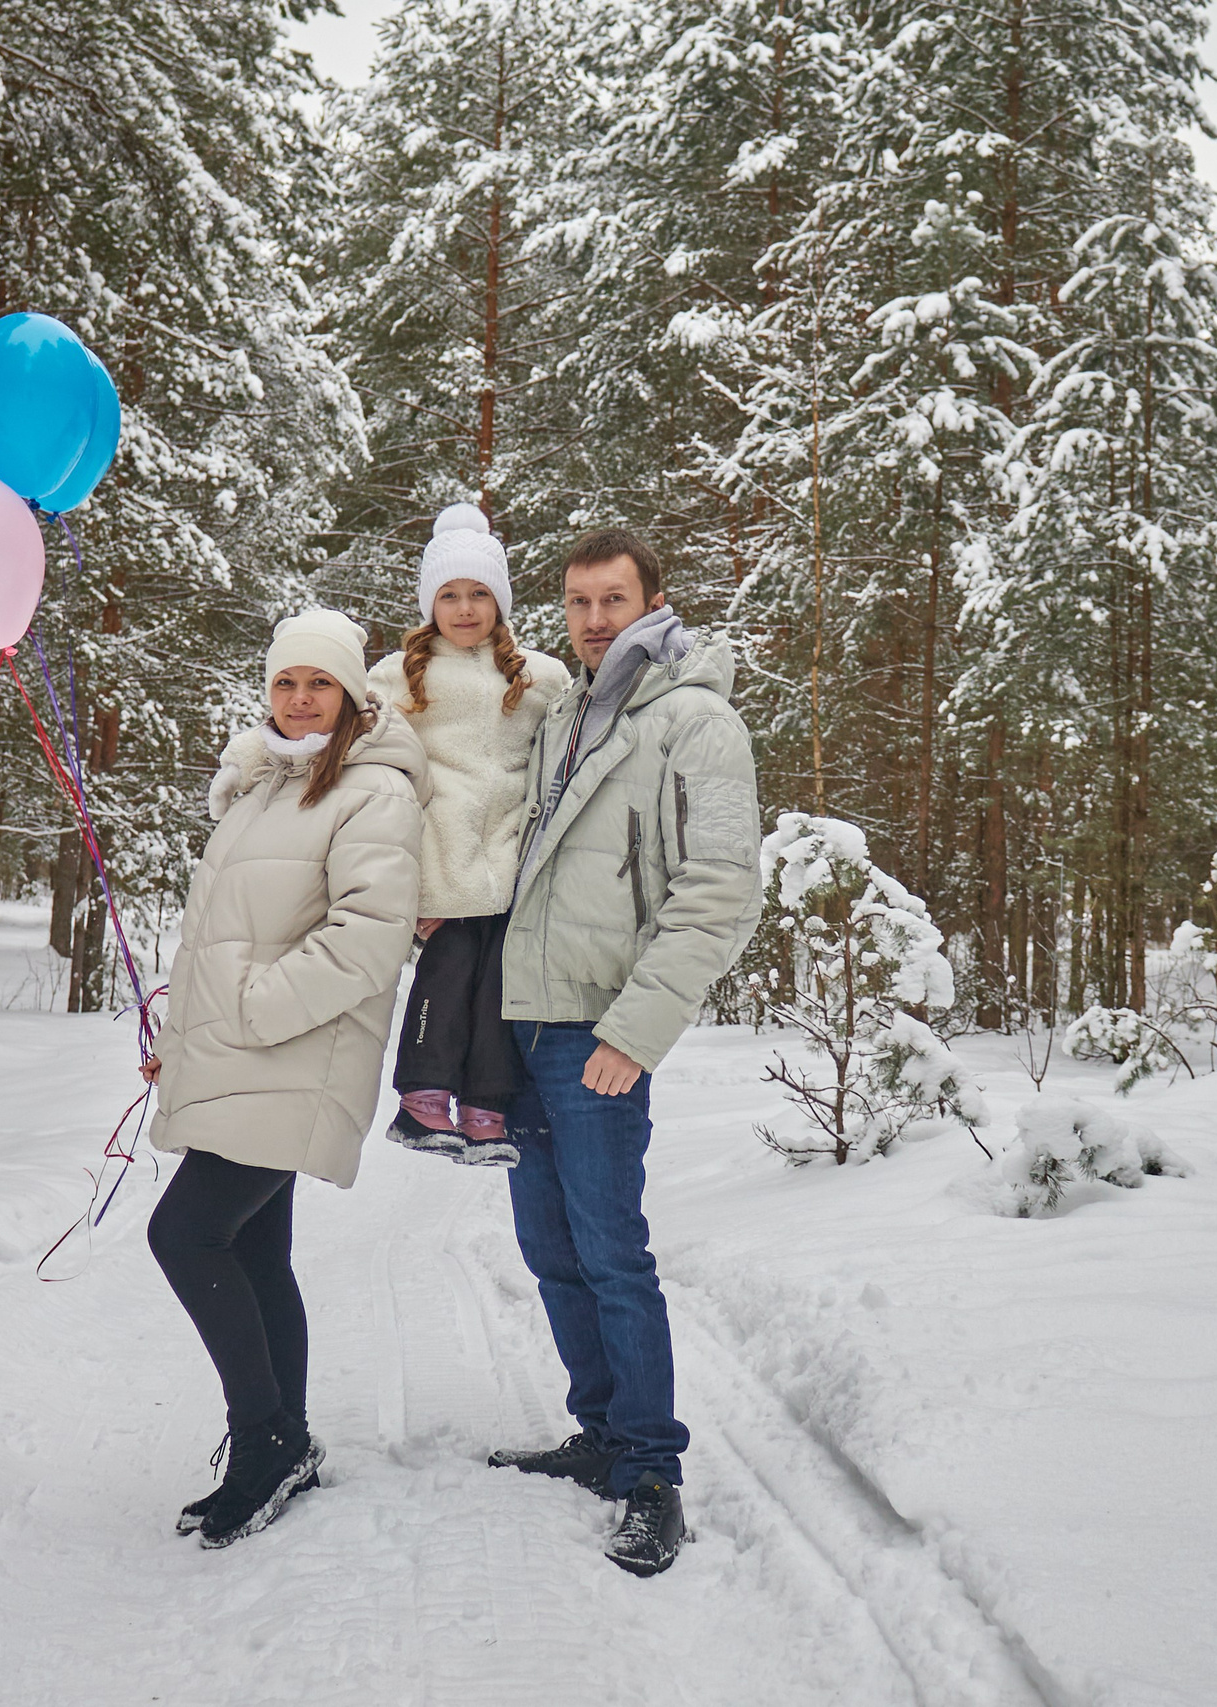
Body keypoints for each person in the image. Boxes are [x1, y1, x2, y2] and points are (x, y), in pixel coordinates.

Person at [485, 528, 761, 1578]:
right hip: (525, 1023)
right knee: (550, 1253)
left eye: (614, 600)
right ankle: (598, 1432)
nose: (594, 620)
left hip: (602, 1031)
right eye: (578, 603)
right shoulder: (561, 713)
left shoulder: (695, 721)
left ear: (655, 601)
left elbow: (719, 892)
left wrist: (635, 1032)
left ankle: (650, 1471)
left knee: (612, 1255)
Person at [140, 608, 426, 1549]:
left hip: (294, 1053)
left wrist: (256, 1009)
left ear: (351, 694)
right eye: (285, 682)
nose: (301, 700)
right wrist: (187, 1035)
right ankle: (287, 1441)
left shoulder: (370, 792)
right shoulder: (262, 786)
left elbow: (371, 933)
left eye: (320, 683)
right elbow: (225, 940)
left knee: (184, 1232)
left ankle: (261, 1442)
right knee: (254, 1251)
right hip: (244, 1053)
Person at [366, 503, 571, 1166]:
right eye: (449, 595)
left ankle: (486, 1108)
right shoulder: (399, 675)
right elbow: (369, 756)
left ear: (500, 601)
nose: (463, 608)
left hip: (508, 861)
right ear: (430, 604)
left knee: (496, 992)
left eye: (479, 593)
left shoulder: (537, 676)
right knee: (447, 975)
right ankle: (423, 1097)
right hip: (439, 858)